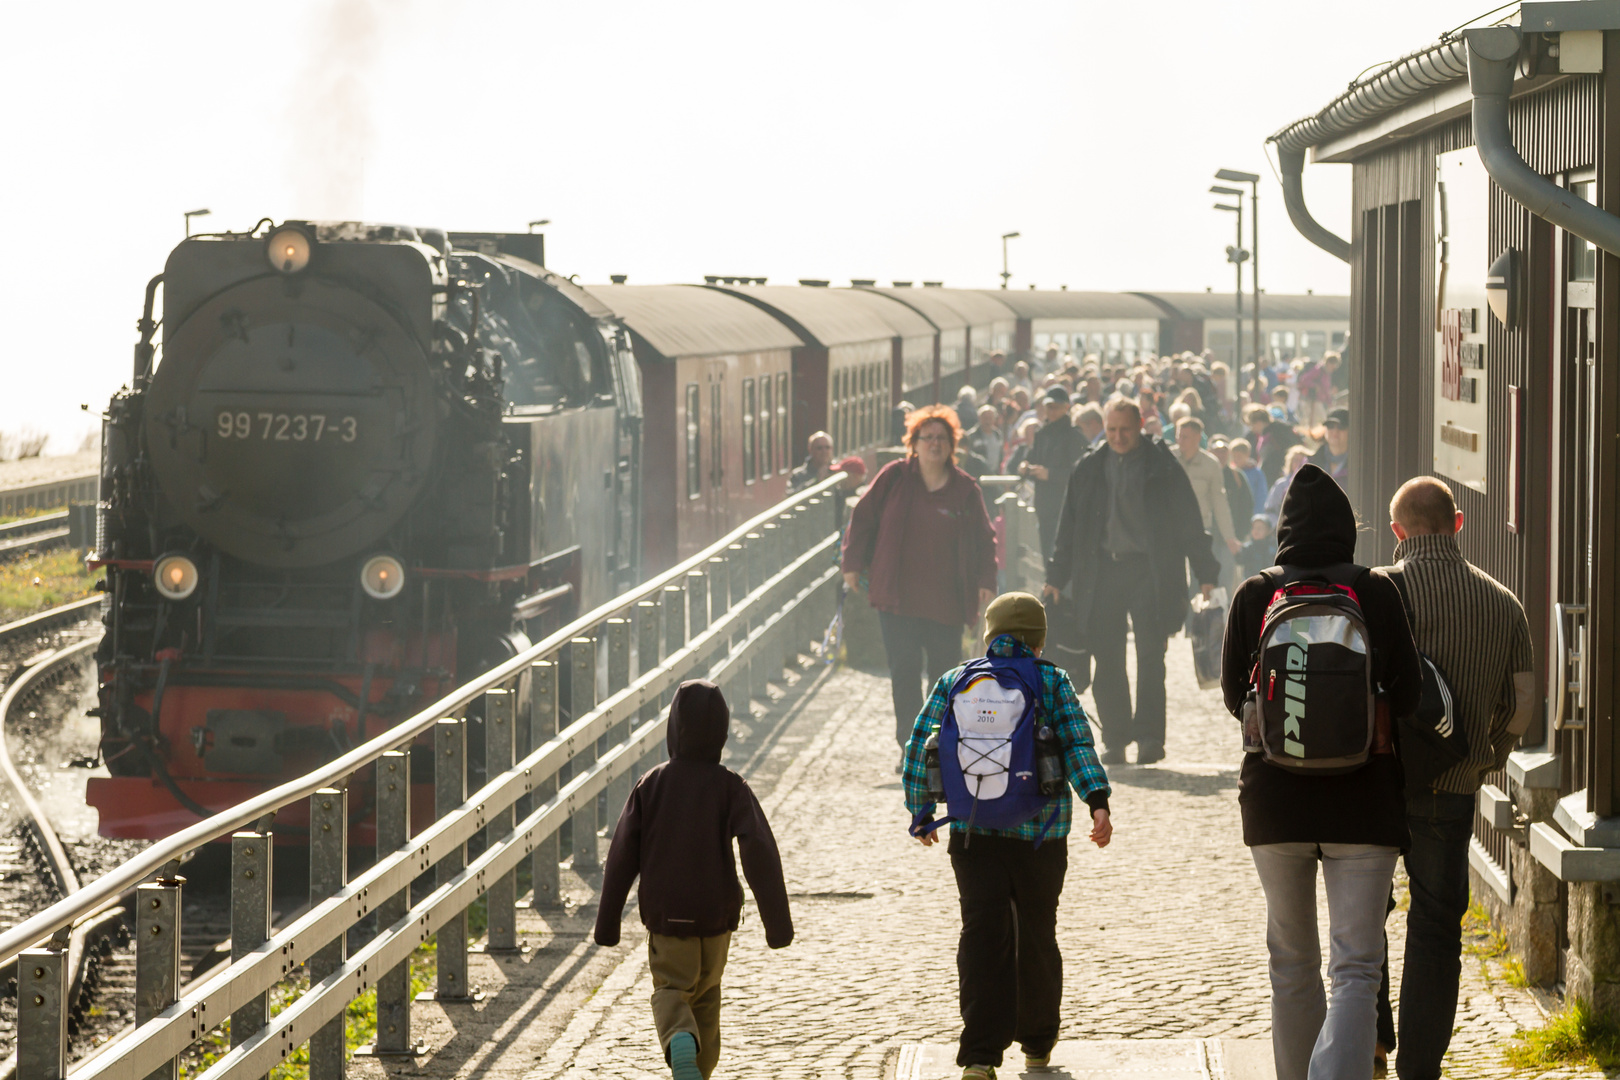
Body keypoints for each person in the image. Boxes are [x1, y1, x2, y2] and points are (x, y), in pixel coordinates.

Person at [1220, 465, 1422, 1080]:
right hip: (1364, 801)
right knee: (1357, 965)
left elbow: (1234, 695)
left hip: (1276, 803)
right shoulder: (1376, 590)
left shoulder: (1256, 593)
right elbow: (1410, 694)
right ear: (1346, 531)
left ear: (1284, 530)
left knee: (1291, 962)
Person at [903, 593, 1113, 1080]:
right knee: (1038, 933)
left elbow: (921, 742)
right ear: (1039, 641)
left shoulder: (957, 680)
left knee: (982, 934)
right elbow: (1077, 741)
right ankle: (1037, 1043)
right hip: (1043, 832)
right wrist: (1097, 800)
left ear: (989, 635)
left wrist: (921, 809)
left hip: (975, 830)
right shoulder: (1053, 680)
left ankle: (979, 1055)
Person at [1372, 477, 1533, 1080]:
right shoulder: (1504, 602)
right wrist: (1488, 755)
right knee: (1438, 927)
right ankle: (1420, 1068)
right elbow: (1522, 705)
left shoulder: (1376, 593)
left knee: (1366, 914)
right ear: (1458, 523)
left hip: (1379, 787)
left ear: (1397, 533)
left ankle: (1374, 1042)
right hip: (1453, 792)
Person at [595, 679, 793, 1080]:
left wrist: (608, 923)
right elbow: (760, 852)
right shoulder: (730, 786)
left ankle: (681, 1044)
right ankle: (699, 1070)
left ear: (673, 728)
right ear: (721, 732)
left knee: (672, 991)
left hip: (669, 921)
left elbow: (620, 858)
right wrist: (778, 925)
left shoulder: (650, 785)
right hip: (716, 922)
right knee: (706, 995)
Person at [1044, 399, 1220, 764]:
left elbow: (1188, 521)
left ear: (1140, 426)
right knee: (1106, 658)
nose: (1118, 437)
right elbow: (1069, 528)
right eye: (1111, 431)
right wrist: (1056, 578)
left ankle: (1150, 737)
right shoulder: (1089, 468)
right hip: (1103, 572)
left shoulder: (1162, 467)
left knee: (1151, 656)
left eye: (1125, 430)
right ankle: (1116, 738)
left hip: (1150, 571)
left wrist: (1206, 573)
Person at [842, 405, 997, 750]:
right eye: (927, 437)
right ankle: (910, 745)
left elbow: (985, 538)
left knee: (944, 677)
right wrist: (851, 563)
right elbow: (863, 517)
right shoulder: (894, 477)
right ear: (914, 443)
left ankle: (937, 743)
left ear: (952, 445)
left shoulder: (965, 489)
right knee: (905, 673)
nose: (935, 444)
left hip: (947, 600)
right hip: (898, 598)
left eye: (942, 438)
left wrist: (987, 579)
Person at [1018, 387, 1091, 558]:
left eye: (1056, 407)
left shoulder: (1074, 436)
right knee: (1047, 555)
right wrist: (1024, 467)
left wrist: (1050, 474)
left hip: (1065, 507)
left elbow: (1083, 473)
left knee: (1063, 555)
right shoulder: (1042, 434)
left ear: (1066, 408)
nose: (1051, 411)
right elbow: (1030, 459)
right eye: (1049, 406)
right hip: (1044, 506)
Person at [1173, 419, 1241, 598]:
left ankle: (1192, 623)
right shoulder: (1168, 459)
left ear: (1197, 438)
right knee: (1173, 578)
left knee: (1198, 579)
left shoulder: (1211, 465)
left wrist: (1229, 537)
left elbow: (1219, 502)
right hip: (1170, 530)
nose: (1180, 441)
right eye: (1178, 436)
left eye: (1185, 437)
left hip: (1198, 529)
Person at [1246, 404, 1298, 487]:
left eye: (1253, 425)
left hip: (1278, 475)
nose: (1252, 429)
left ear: (1259, 422)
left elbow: (1284, 452)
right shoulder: (1271, 431)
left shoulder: (1276, 432)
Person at [1263, 445, 1311, 523]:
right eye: (1295, 460)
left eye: (1301, 461)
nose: (1299, 464)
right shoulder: (1281, 485)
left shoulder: (1312, 485)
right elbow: (1270, 510)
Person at [1310, 408, 1350, 489]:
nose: (1335, 432)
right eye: (1330, 426)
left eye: (1341, 427)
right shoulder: (1310, 463)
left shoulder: (1360, 465)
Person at [1229, 437, 1267, 516]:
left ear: (1247, 455)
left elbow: (1261, 496)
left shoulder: (1256, 473)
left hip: (1251, 513)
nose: (1236, 459)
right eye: (1234, 456)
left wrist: (1257, 515)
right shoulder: (1230, 472)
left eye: (1239, 457)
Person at [965, 404, 1006, 474]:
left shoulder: (998, 434)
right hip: (978, 474)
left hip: (995, 475)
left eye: (990, 418)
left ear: (994, 419)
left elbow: (1001, 454)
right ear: (979, 418)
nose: (987, 421)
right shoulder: (971, 436)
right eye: (985, 418)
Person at [1235, 514, 1276, 581]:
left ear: (1268, 531)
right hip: (1251, 581)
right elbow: (1240, 560)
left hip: (1269, 580)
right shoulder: (1248, 547)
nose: (1256, 530)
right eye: (1254, 528)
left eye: (1260, 528)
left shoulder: (1272, 548)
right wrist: (1236, 553)